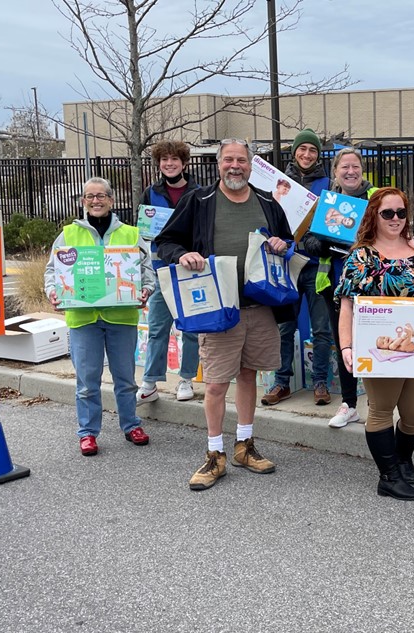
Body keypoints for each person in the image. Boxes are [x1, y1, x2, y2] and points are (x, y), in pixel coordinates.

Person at [155, 138, 295, 491]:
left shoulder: (266, 201)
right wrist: (183, 255)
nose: (235, 166)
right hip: (218, 309)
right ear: (218, 164)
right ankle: (214, 453)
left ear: (250, 165)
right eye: (229, 160)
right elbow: (166, 242)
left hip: (260, 307)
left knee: (249, 376)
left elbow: (288, 242)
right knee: (217, 383)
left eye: (242, 161)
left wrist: (283, 245)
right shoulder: (199, 201)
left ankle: (244, 446)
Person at [336, 187, 414, 501]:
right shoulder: (362, 255)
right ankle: (388, 476)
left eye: (401, 212)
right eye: (388, 213)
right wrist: (346, 347)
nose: (396, 219)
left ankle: (402, 460)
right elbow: (346, 305)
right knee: (382, 410)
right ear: (375, 214)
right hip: (380, 348)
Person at [45, 177, 154, 456]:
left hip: (122, 317)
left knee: (126, 378)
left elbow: (146, 270)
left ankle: (131, 425)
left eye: (101, 195)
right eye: (90, 196)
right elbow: (52, 271)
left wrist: (147, 289)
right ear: (83, 202)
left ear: (111, 200)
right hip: (84, 319)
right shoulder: (68, 234)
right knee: (87, 380)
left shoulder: (130, 233)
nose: (96, 201)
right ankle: (88, 433)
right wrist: (52, 291)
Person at [264, 128, 333, 407]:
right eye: (302, 149)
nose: (307, 155)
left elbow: (333, 223)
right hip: (286, 265)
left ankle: (320, 382)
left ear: (318, 155)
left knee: (322, 328)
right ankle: (282, 382)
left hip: (317, 266)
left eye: (312, 150)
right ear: (294, 152)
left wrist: (318, 242)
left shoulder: (328, 183)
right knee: (284, 326)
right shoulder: (279, 183)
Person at [136, 140, 201, 406]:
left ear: (184, 163)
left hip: (191, 269)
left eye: (175, 159)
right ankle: (150, 383)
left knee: (191, 329)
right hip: (161, 268)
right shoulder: (150, 193)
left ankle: (186, 379)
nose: (169, 164)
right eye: (164, 160)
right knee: (158, 328)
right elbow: (141, 231)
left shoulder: (200, 192)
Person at [317, 148, 376, 429]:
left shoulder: (376, 197)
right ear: (336, 172)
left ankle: (378, 404)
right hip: (336, 282)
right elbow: (308, 238)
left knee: (377, 340)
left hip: (372, 281)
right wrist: (315, 243)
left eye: (355, 166)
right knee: (345, 344)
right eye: (345, 167)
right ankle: (349, 404)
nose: (350, 171)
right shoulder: (326, 201)